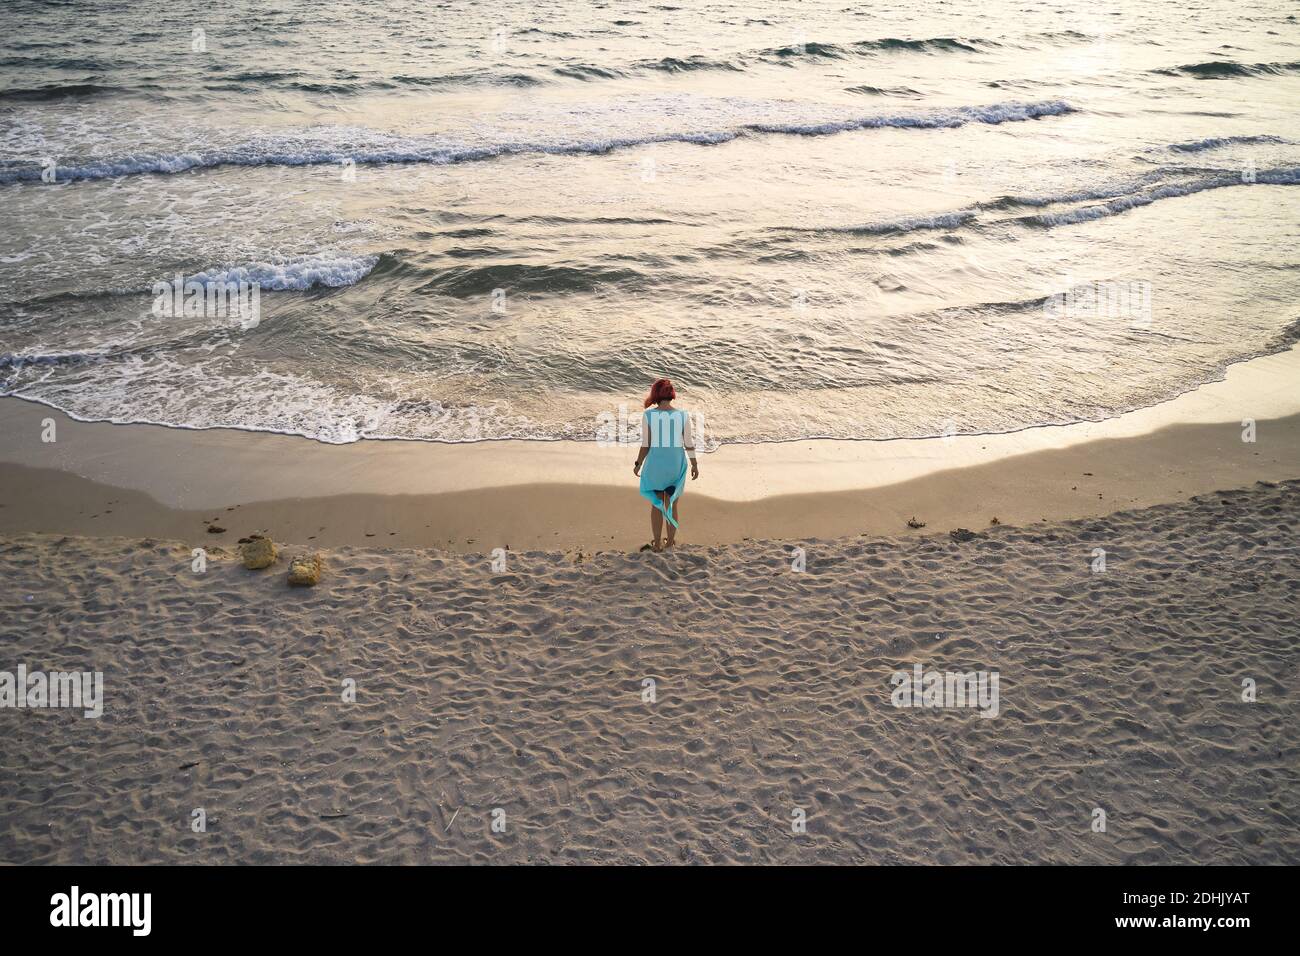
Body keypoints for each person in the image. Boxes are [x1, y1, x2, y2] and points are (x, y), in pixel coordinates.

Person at [632, 378, 699, 551]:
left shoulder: (649, 415)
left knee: (657, 504)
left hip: (656, 466)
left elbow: (646, 444)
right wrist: (694, 464)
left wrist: (638, 463)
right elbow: (688, 443)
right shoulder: (683, 415)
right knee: (672, 503)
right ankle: (670, 542)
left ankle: (657, 544)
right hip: (675, 465)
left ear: (655, 394)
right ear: (671, 395)